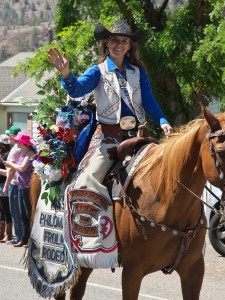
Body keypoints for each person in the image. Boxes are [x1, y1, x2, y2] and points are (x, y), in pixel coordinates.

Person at [48, 20, 173, 267]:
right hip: (108, 140)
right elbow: (76, 90)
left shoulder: (139, 73)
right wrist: (66, 74)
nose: (119, 44)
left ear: (129, 46)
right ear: (106, 43)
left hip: (140, 136)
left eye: (124, 41)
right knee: (87, 180)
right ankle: (89, 238)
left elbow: (150, 102)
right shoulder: (97, 71)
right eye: (114, 40)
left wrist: (163, 121)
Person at [4, 132, 35, 247]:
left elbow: (22, 168)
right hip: (22, 186)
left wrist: (10, 164)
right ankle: (25, 238)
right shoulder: (24, 152)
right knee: (22, 214)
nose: (16, 141)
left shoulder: (30, 153)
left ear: (23, 142)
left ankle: (29, 239)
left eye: (18, 140)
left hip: (27, 187)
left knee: (28, 213)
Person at [2, 125, 23, 245]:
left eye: (11, 134)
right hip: (16, 183)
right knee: (16, 212)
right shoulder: (17, 148)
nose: (9, 136)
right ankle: (20, 236)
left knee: (15, 212)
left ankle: (19, 237)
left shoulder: (15, 149)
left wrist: (6, 185)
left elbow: (11, 171)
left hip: (15, 184)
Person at [0, 134, 12, 242]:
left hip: (3, 184)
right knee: (1, 210)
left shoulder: (7, 156)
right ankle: (1, 233)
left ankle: (8, 234)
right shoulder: (1, 154)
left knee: (5, 209)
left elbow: (8, 173)